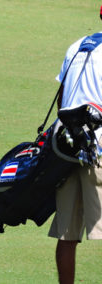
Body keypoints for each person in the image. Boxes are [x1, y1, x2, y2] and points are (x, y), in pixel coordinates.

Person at [48, 15, 102, 284]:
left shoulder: (77, 45)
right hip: (98, 147)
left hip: (65, 146)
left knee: (67, 235)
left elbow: (62, 98)